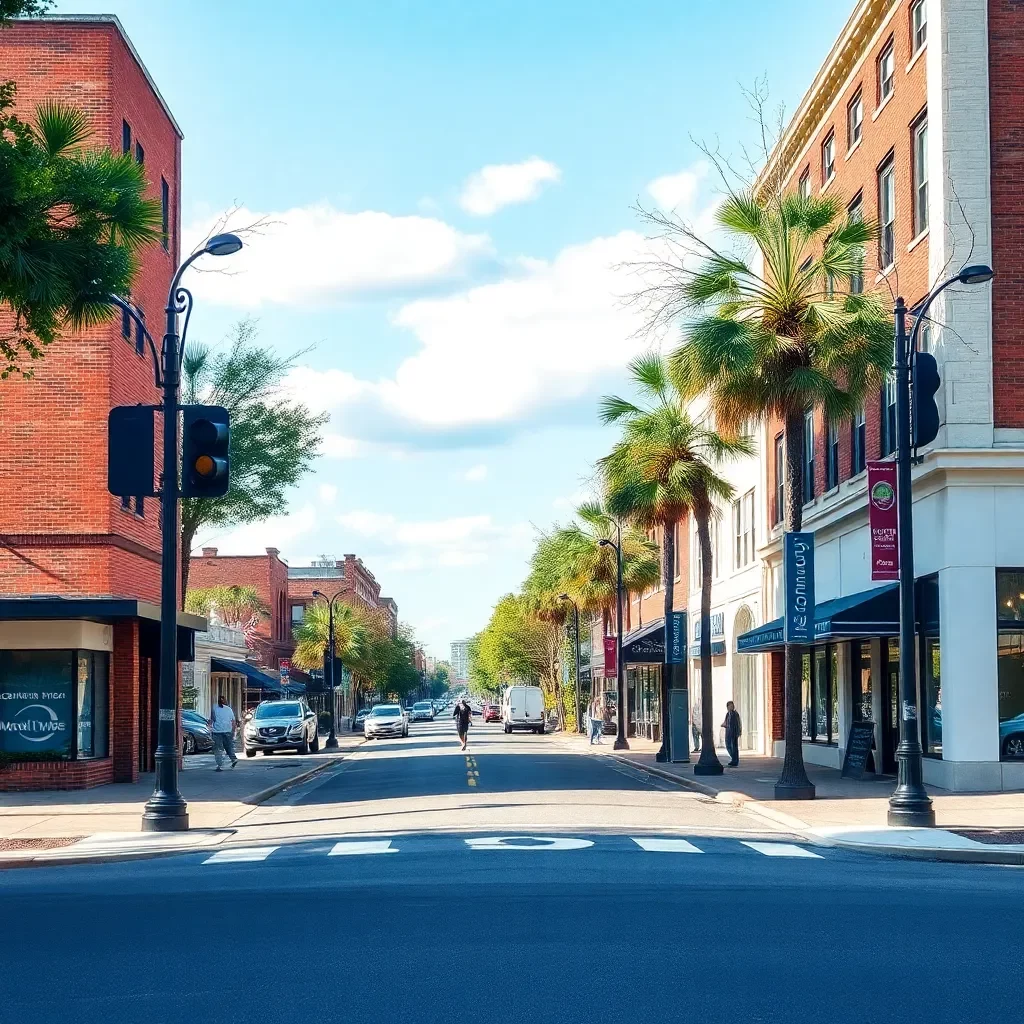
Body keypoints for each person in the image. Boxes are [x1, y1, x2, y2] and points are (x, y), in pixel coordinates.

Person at [208, 694, 238, 771]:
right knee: (229, 747)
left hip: (217, 732)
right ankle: (233, 759)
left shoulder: (214, 709)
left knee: (218, 749)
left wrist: (209, 727)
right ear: (225, 701)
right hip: (228, 731)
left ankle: (219, 765)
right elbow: (233, 721)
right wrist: (233, 731)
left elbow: (212, 720)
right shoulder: (229, 709)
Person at [722, 700, 742, 767]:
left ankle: (735, 760)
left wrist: (738, 731)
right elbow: (726, 722)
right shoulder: (728, 714)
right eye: (730, 706)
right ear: (727, 707)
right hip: (728, 732)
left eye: (732, 706)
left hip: (734, 732)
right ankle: (734, 759)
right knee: (728, 746)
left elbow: (738, 723)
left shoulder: (735, 714)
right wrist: (724, 725)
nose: (732, 707)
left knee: (734, 747)